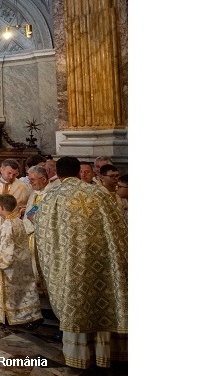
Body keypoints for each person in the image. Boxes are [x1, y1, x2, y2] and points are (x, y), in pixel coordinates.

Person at [35, 156, 128, 369]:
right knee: (102, 301)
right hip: (102, 262)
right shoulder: (99, 193)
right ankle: (107, 353)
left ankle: (80, 356)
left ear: (56, 174)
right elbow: (119, 229)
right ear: (79, 172)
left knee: (76, 303)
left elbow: (43, 237)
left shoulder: (51, 197)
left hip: (70, 268)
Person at [0, 194, 42, 327]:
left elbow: (8, 247)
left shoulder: (7, 224)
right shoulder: (18, 221)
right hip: (22, 262)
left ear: (1, 207)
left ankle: (13, 316)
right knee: (24, 290)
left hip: (9, 266)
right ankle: (30, 314)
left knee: (10, 293)